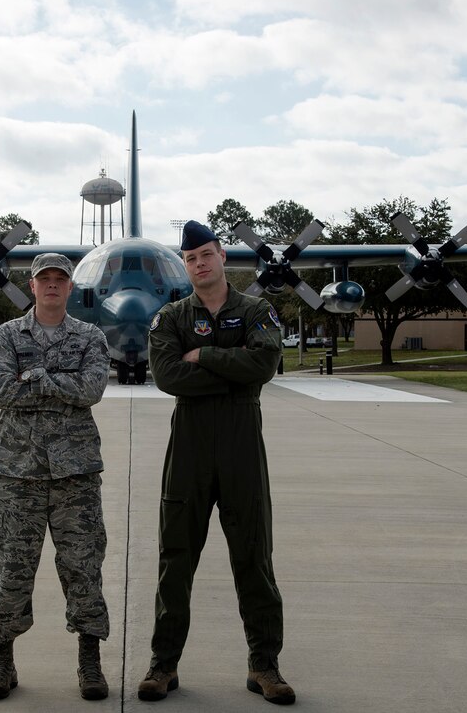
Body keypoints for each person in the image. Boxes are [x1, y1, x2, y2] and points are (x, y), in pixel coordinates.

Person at [137, 221, 295, 705]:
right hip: (189, 447)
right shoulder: (169, 317)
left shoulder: (257, 310)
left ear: (222, 255)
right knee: (175, 558)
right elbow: (167, 376)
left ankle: (264, 665)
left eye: (206, 254)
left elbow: (264, 366)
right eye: (190, 258)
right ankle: (163, 665)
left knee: (254, 556)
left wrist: (203, 354)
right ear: (184, 265)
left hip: (241, 445)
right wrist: (234, 368)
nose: (200, 263)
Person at [0, 252, 111, 701]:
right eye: (44, 279)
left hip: (76, 474)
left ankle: (89, 660)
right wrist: (62, 384)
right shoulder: (7, 334)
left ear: (70, 288)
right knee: (10, 567)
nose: (52, 285)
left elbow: (92, 390)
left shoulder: (91, 336)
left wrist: (35, 377)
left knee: (83, 566)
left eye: (60, 279)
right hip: (20, 474)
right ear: (32, 286)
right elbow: (1, 392)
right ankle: (2, 660)